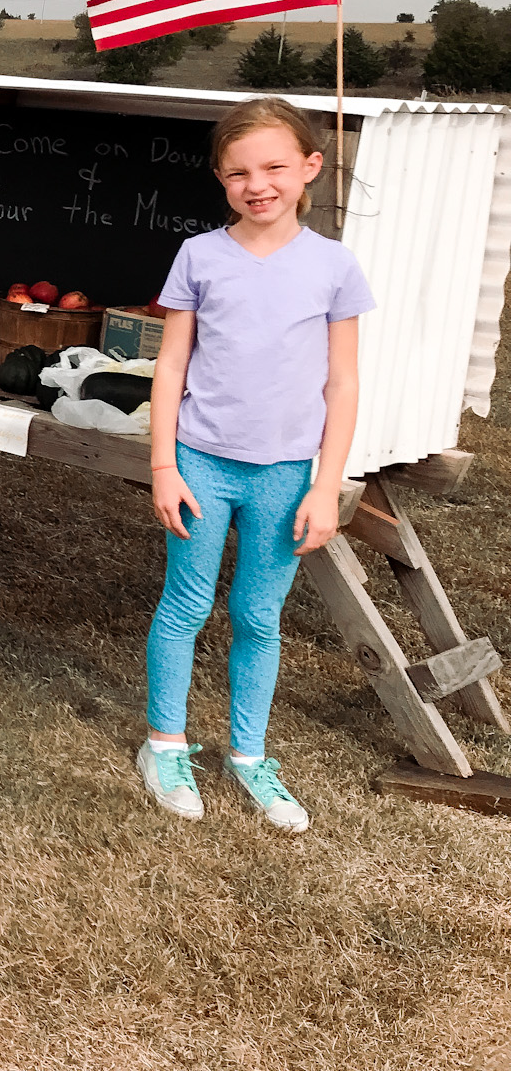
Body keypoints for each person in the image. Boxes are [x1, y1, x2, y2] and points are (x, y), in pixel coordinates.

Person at [139, 96, 373, 834]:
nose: (257, 184)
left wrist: (326, 486)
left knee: (258, 615)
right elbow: (171, 365)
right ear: (220, 178)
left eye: (274, 166)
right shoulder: (199, 256)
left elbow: (342, 382)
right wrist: (163, 467)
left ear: (311, 167)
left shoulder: (335, 267)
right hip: (200, 463)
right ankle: (164, 744)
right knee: (186, 604)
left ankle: (248, 755)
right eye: (238, 172)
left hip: (285, 475)